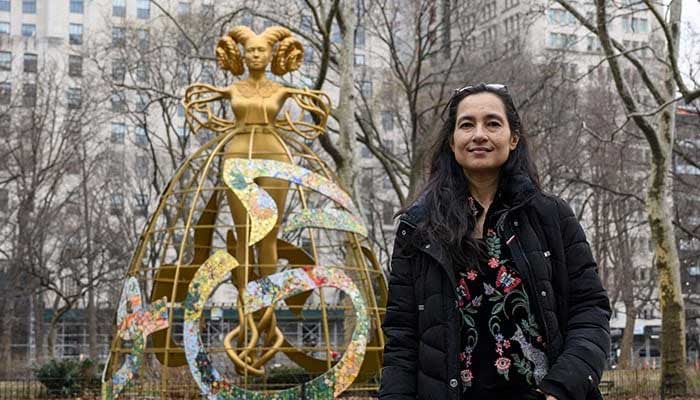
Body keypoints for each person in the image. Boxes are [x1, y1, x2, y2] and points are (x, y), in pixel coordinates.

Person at [379, 83, 611, 400]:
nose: (479, 134)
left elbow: (590, 310)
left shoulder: (551, 217)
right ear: (451, 140)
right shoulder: (419, 229)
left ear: (513, 138)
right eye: (466, 124)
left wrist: (561, 389)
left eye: (492, 123)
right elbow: (402, 338)